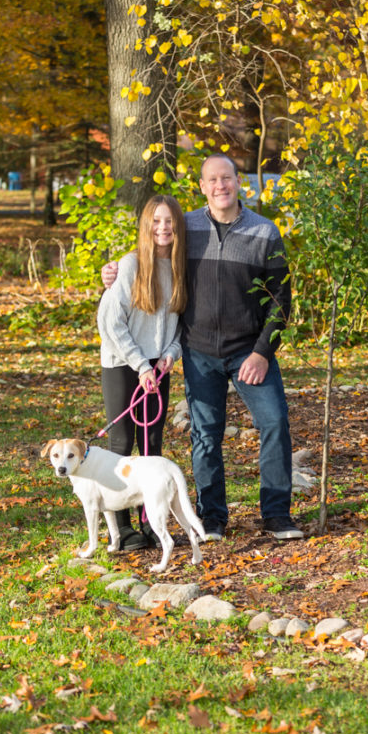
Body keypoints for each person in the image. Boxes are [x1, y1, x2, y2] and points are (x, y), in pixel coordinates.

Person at [103, 154, 302, 542]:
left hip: (250, 351)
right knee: (206, 435)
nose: (220, 186)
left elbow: (281, 300)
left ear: (238, 181)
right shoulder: (186, 226)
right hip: (198, 351)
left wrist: (263, 352)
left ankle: (277, 515)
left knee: (275, 423)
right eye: (212, 180)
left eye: (226, 178)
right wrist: (112, 272)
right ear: (202, 186)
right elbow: (148, 255)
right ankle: (212, 517)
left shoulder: (265, 232)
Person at [97, 195, 186, 550]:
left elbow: (180, 325)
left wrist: (168, 356)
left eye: (169, 221)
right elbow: (111, 323)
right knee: (122, 444)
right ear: (146, 225)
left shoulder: (181, 268)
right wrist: (140, 365)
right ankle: (120, 528)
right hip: (122, 362)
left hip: (157, 366)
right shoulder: (130, 266)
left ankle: (151, 522)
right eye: (156, 221)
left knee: (152, 446)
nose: (163, 228)